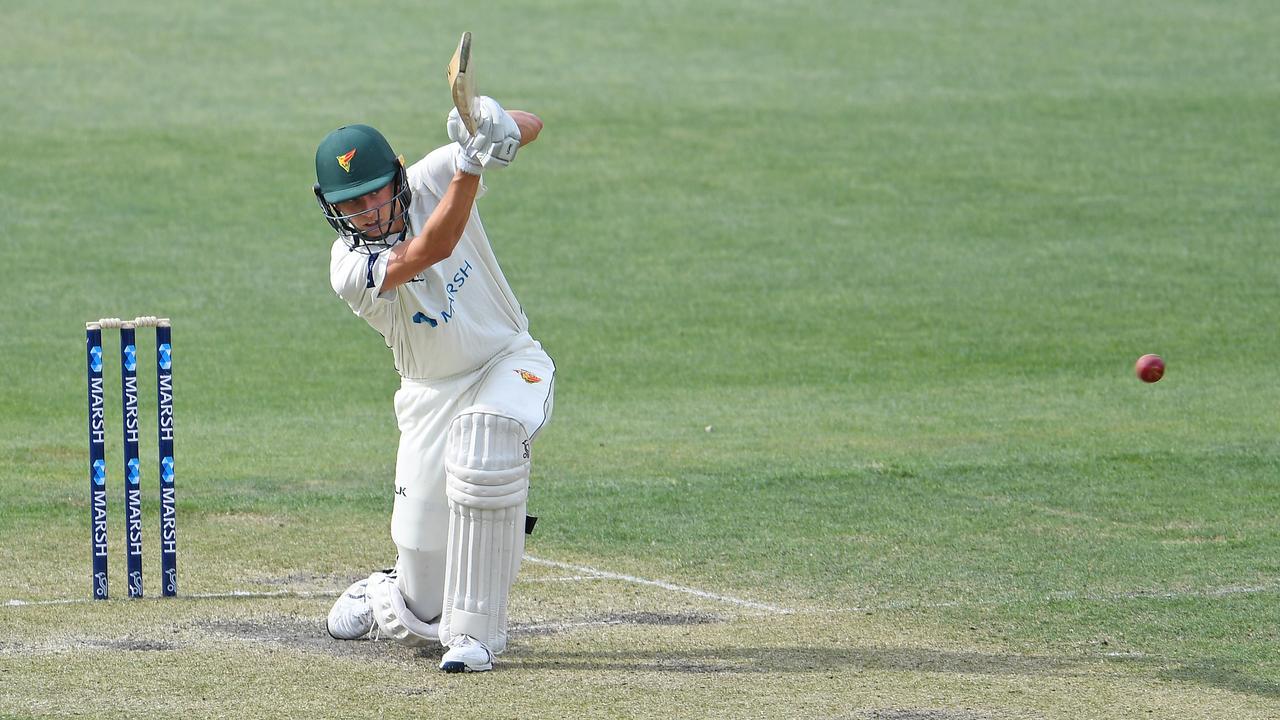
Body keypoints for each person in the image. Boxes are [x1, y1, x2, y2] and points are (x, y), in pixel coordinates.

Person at [312, 96, 554, 673]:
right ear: (334, 210)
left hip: (508, 359)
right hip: (427, 396)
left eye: (374, 193)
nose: (368, 212)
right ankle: (385, 596)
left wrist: (489, 124)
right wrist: (470, 165)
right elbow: (432, 248)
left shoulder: (429, 177)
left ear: (397, 175)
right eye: (352, 203)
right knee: (422, 592)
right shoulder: (348, 265)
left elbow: (533, 125)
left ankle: (474, 639)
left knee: (487, 438)